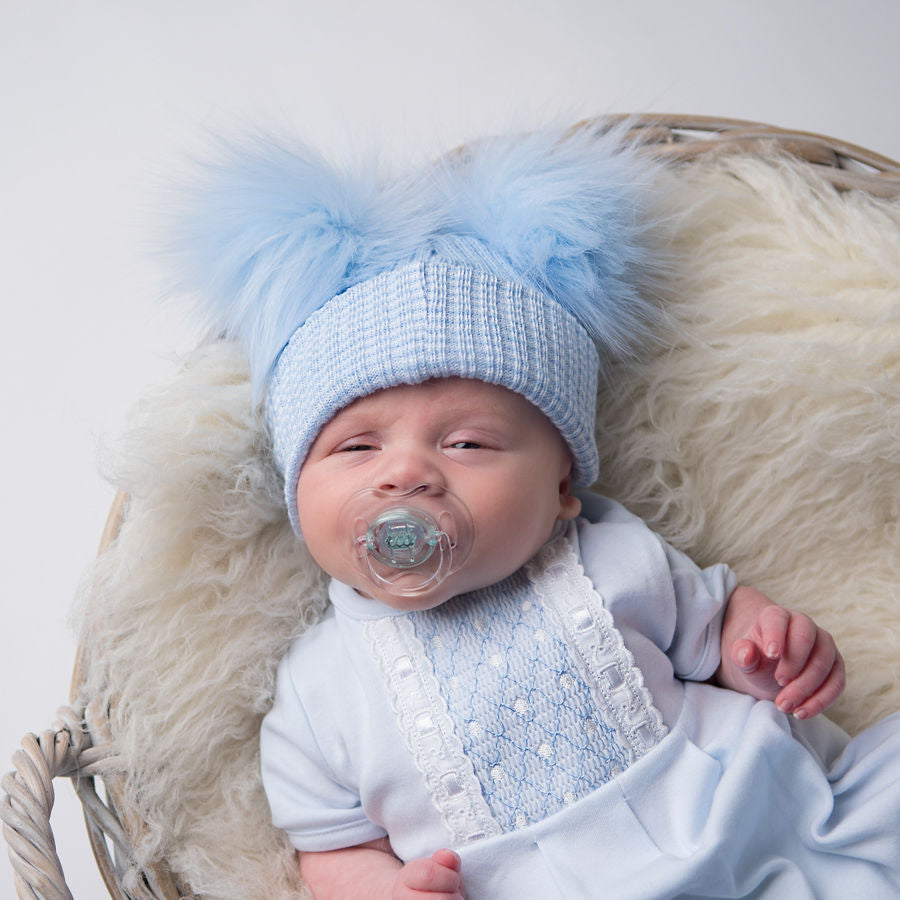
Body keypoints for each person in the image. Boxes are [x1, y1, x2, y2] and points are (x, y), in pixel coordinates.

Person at [173, 124, 900, 898]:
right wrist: (379, 888)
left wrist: (766, 647)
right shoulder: (317, 694)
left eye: (467, 443)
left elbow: (717, 630)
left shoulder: (609, 556)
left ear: (561, 491)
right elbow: (330, 850)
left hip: (755, 831)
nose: (406, 474)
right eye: (356, 449)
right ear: (297, 500)